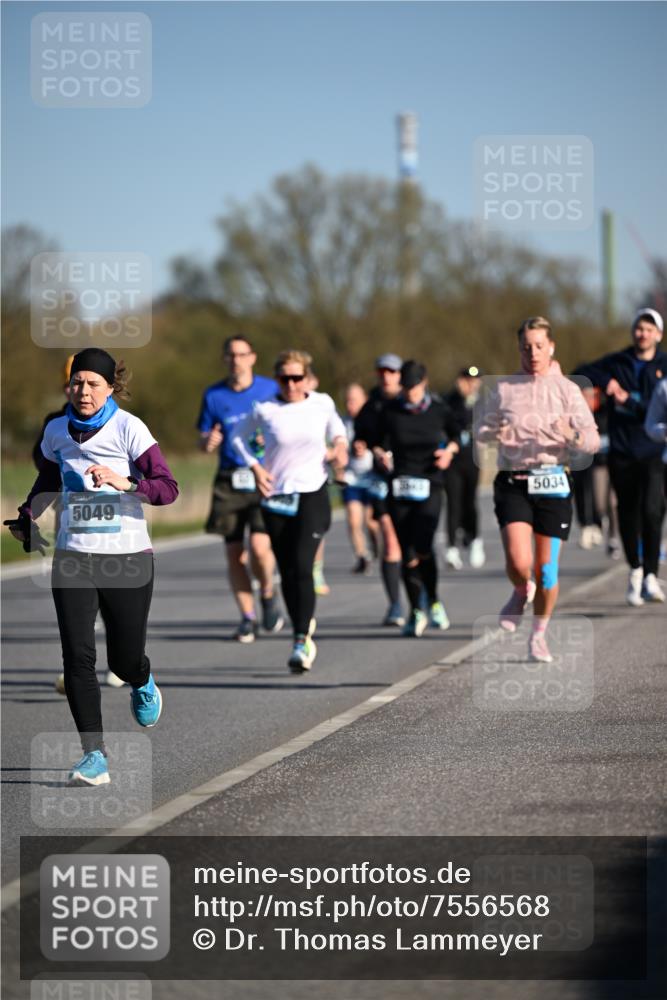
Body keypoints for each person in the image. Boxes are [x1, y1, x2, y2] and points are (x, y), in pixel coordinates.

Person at [4, 348, 178, 786]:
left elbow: (168, 488)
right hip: (73, 557)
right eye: (77, 382)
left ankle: (142, 679)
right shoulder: (56, 430)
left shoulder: (129, 428)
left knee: (123, 661)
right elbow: (48, 478)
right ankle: (94, 755)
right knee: (78, 657)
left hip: (128, 559)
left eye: (93, 384)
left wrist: (127, 482)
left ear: (110, 387)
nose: (83, 391)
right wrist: (28, 515)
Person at [475, 317, 600, 662]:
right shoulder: (504, 388)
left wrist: (571, 435)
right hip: (514, 482)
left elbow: (592, 440)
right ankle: (520, 589)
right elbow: (481, 431)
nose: (533, 353)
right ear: (519, 349)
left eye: (539, 346)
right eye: (526, 347)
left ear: (551, 347)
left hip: (553, 480)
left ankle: (538, 635)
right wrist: (492, 431)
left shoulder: (567, 390)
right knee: (519, 562)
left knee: (547, 572)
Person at [231, 349, 348, 672]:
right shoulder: (265, 408)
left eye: (297, 378)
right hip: (277, 497)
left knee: (302, 564)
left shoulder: (322, 403)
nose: (292, 384)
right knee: (287, 570)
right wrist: (256, 467)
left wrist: (339, 447)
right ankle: (301, 628)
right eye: (285, 379)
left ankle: (300, 639)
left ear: (307, 378)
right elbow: (237, 438)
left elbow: (339, 431)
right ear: (277, 379)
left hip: (313, 493)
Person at [197, 335, 284, 641]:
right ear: (225, 359)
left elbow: (285, 424)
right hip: (229, 479)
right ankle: (247, 617)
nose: (236, 360)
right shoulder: (214, 395)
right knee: (234, 553)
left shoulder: (270, 389)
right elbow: (203, 438)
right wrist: (208, 442)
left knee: (260, 547)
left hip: (263, 476)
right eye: (231, 355)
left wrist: (269, 439)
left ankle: (268, 592)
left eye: (242, 354)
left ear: (252, 357)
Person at [580, 308, 666, 604]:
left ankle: (651, 575)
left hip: (655, 449)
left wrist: (629, 401)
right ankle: (635, 570)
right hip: (622, 449)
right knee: (628, 512)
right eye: (639, 328)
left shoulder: (664, 366)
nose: (643, 334)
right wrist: (607, 382)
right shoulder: (619, 361)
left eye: (649, 329)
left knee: (653, 511)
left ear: (658, 335)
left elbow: (655, 411)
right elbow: (583, 370)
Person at [373, 360, 460, 637]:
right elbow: (374, 439)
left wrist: (448, 453)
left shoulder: (438, 409)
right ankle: (415, 610)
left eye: (414, 387)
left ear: (424, 383)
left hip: (430, 483)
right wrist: (379, 453)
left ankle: (433, 600)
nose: (409, 392)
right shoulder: (390, 411)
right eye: (405, 387)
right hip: (399, 485)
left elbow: (457, 436)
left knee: (423, 545)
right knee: (407, 552)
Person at [354, 353, 406, 626]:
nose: (386, 377)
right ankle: (395, 604)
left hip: (410, 479)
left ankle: (424, 597)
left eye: (391, 372)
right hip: (380, 479)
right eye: (382, 372)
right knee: (390, 539)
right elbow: (360, 435)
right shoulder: (371, 404)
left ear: (400, 375)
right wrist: (364, 447)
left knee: (412, 544)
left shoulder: (411, 400)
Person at [443, 365, 486, 570]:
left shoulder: (481, 402)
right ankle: (451, 547)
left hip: (472, 459)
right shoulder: (450, 401)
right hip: (453, 461)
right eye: (468, 380)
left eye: (475, 380)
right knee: (453, 503)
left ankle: (474, 538)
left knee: (470, 502)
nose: (471, 384)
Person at [341, 382, 379, 574]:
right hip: (352, 478)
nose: (351, 405)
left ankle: (377, 547)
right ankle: (362, 556)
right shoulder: (342, 423)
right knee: (353, 520)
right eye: (348, 401)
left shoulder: (374, 419)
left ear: (364, 400)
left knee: (371, 522)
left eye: (355, 400)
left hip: (372, 477)